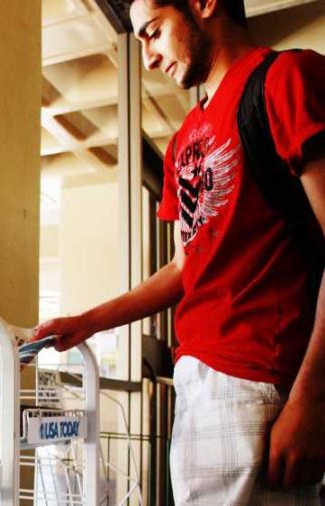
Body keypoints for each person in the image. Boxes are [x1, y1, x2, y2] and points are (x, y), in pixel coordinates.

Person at [32, 0, 325, 503]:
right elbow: (184, 267)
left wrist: (311, 400)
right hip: (195, 381)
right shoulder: (184, 140)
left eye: (154, 32)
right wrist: (89, 321)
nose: (147, 57)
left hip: (260, 377)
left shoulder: (286, 79)